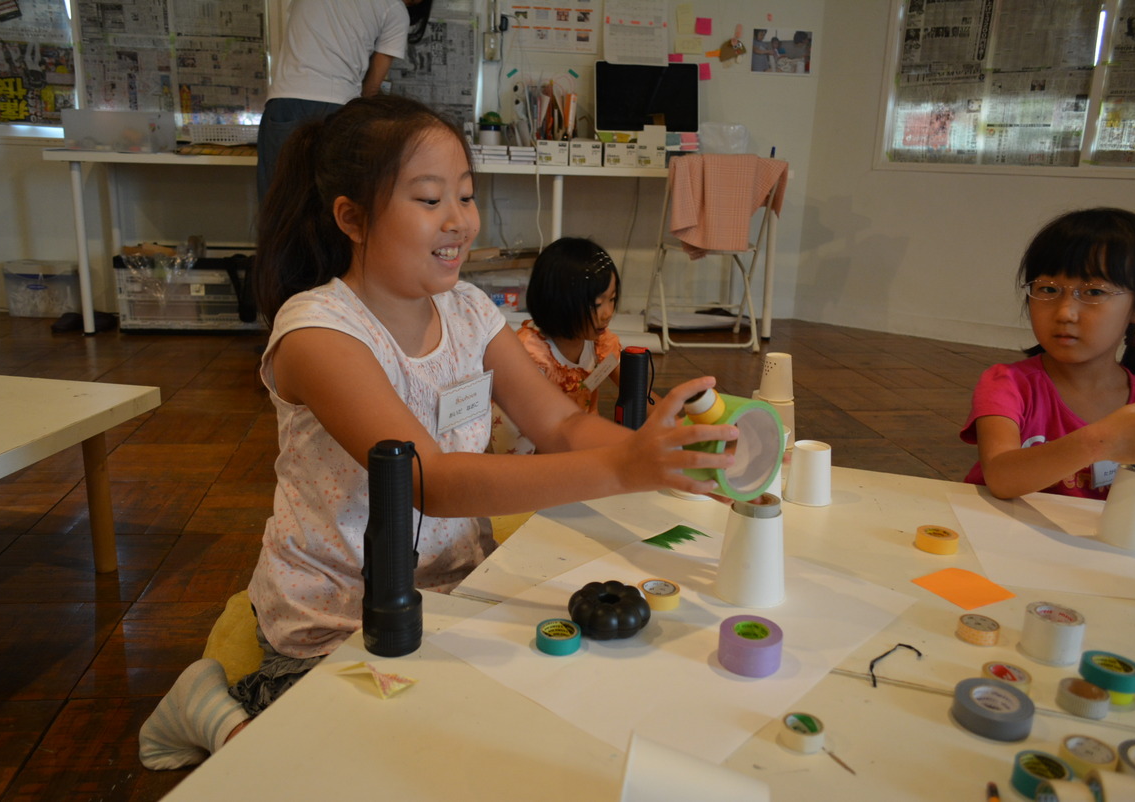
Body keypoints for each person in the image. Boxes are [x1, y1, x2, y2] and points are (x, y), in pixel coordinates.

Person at [138, 94, 739, 770]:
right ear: (352, 218)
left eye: (466, 195)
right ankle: (212, 710)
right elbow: (429, 480)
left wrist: (669, 451)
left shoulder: (470, 310)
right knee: (354, 768)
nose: (459, 221)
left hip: (459, 587)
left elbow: (563, 424)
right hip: (341, 613)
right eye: (430, 200)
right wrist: (626, 467)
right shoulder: (318, 334)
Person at [961, 207, 1135, 500]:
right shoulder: (1008, 385)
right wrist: (1101, 441)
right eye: (1048, 289)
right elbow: (1000, 477)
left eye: (1094, 292)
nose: (1065, 313)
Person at [255, 0, 432, 204]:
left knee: (277, 201)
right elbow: (371, 90)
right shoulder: (394, 9)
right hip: (338, 106)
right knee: (328, 204)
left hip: (285, 99)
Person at [490, 237, 624, 455]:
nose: (608, 313)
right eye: (597, 304)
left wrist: (673, 422)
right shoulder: (530, 354)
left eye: (613, 299)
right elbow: (522, 442)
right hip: (528, 454)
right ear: (559, 303)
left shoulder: (600, 341)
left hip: (577, 444)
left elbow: (639, 392)